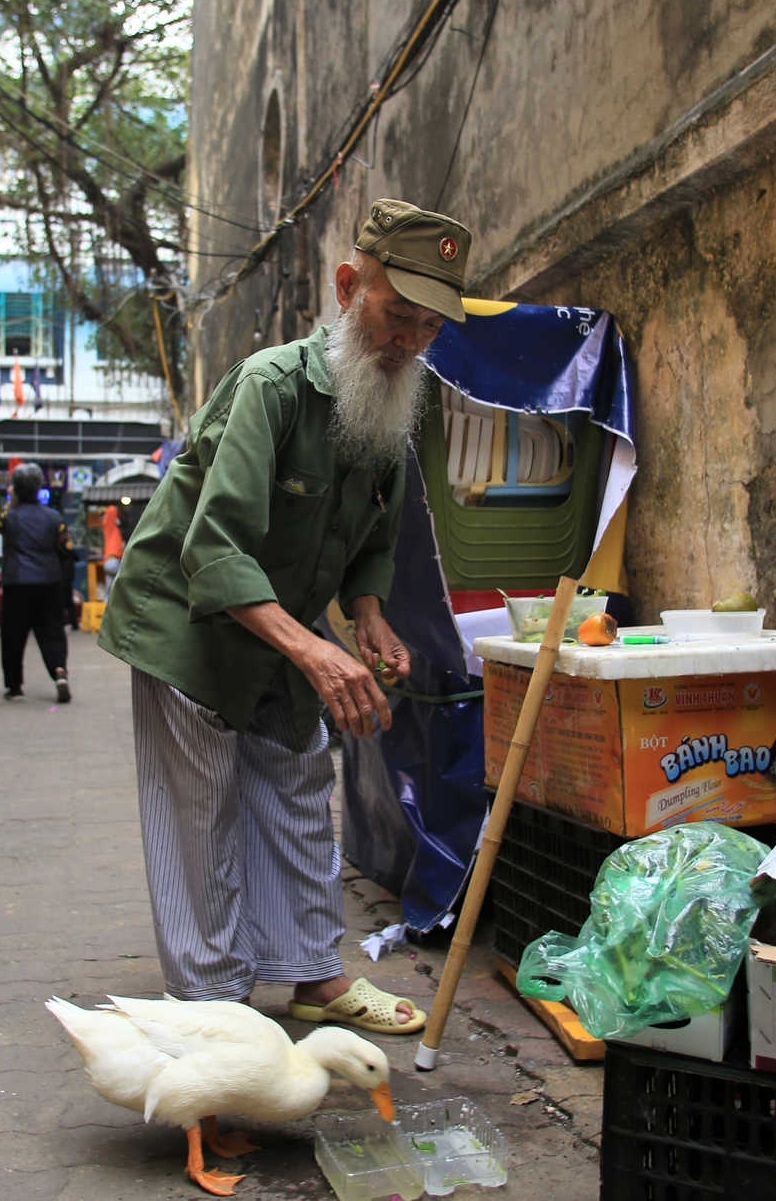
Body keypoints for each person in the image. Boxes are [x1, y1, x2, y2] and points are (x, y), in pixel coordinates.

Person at [100, 198, 474, 1035]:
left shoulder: (388, 407)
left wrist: (368, 617)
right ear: (348, 288)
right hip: (188, 633)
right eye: (396, 316)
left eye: (428, 329)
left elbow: (374, 535)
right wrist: (316, 650)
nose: (410, 341)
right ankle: (213, 1009)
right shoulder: (271, 387)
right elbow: (214, 547)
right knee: (200, 814)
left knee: (301, 784)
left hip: (285, 635)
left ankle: (313, 977)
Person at [0, 462, 75, 703]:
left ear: (16, 488)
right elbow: (67, 547)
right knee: (52, 630)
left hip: (17, 582)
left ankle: (15, 687)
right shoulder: (54, 517)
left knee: (13, 635)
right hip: (49, 581)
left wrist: (10, 502)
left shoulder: (9, 516)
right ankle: (59, 671)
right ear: (40, 485)